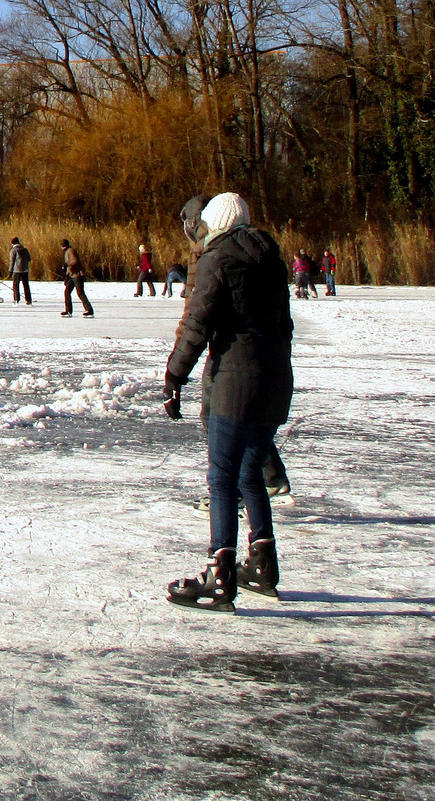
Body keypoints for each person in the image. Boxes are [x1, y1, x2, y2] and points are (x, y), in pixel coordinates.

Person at [164, 192, 293, 610]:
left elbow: (198, 323)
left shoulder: (217, 259)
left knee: (222, 477)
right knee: (249, 472)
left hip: (235, 383)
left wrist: (174, 376)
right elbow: (285, 326)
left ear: (214, 223)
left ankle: (220, 576)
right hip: (275, 380)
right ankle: (262, 564)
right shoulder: (271, 260)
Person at [59, 239, 93, 317]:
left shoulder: (70, 251)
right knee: (67, 292)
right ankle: (68, 311)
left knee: (80, 293)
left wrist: (67, 264)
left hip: (77, 275)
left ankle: (89, 310)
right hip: (71, 276)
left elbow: (75, 261)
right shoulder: (67, 251)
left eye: (63, 246)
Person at [8, 237, 33, 305]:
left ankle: (16, 299)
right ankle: (28, 300)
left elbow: (12, 261)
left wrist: (10, 271)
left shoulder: (13, 250)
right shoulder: (25, 249)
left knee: (16, 285)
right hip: (25, 270)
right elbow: (29, 259)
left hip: (17, 270)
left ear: (13, 243)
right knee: (26, 285)